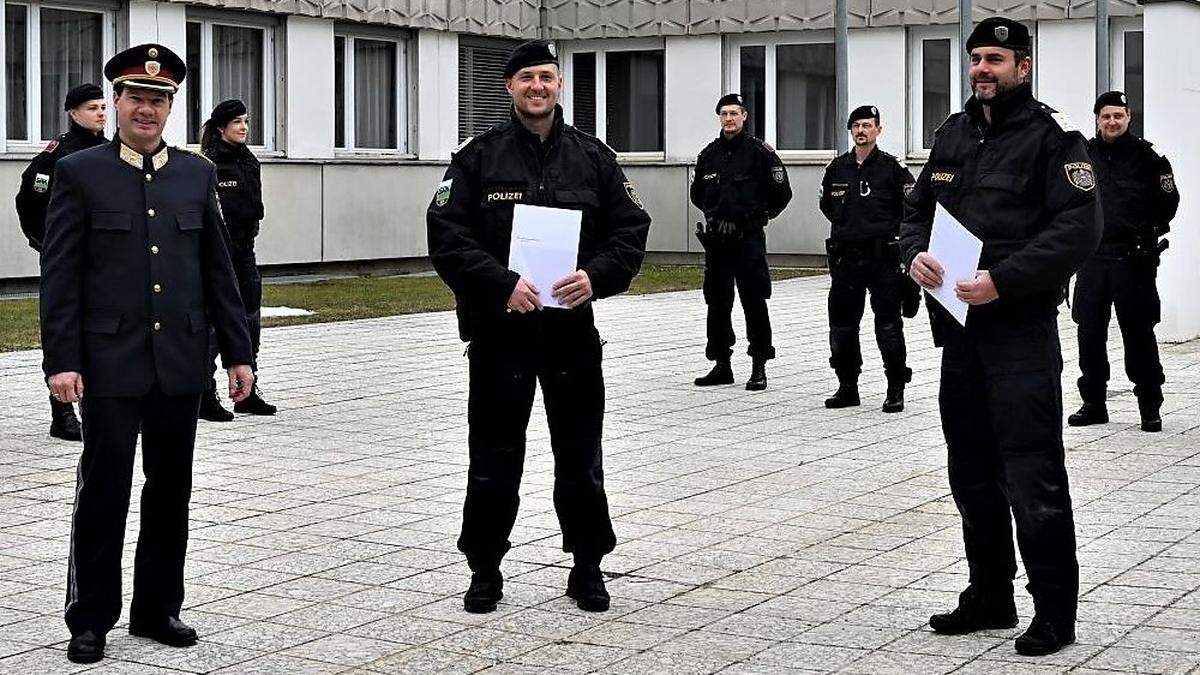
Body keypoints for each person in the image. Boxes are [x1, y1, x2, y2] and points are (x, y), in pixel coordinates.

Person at [39, 44, 254, 664]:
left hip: (180, 359)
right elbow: (60, 274)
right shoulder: (82, 172)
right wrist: (62, 360)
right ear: (118, 103)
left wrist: (237, 353)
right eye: (134, 97)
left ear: (170, 108)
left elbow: (218, 269)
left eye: (158, 100)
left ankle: (158, 607)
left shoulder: (197, 173)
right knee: (104, 488)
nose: (146, 109)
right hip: (109, 361)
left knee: (171, 489)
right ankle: (90, 616)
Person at [427, 40, 650, 615]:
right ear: (509, 86)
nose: (537, 87)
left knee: (580, 456)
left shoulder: (594, 158)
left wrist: (595, 278)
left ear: (558, 85)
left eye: (546, 77)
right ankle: (485, 567)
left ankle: (587, 565)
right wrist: (501, 284)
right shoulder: (477, 157)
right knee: (494, 456)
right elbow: (448, 238)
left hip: (571, 334)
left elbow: (630, 230)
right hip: (502, 332)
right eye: (526, 77)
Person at [900, 17, 1101, 657]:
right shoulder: (953, 135)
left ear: (1023, 66)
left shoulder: (1053, 141)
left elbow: (1078, 230)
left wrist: (1004, 280)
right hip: (959, 332)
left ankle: (1054, 611)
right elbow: (917, 212)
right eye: (976, 58)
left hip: (1018, 332)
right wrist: (913, 256)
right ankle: (989, 594)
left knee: (1032, 473)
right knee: (972, 472)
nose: (982, 69)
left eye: (996, 58)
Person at [1068, 91, 1178, 432]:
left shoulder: (1148, 158)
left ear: (1129, 117)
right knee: (1089, 333)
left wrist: (1147, 232)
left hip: (1133, 261)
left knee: (1138, 333)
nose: (1112, 122)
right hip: (1093, 258)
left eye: (1118, 115)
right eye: (1106, 116)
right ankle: (1094, 403)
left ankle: (1149, 405)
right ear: (1097, 119)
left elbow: (1169, 202)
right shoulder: (1082, 155)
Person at [15, 83, 108, 441]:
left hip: (103, 260)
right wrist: (45, 243)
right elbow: (30, 198)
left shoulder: (112, 150)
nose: (100, 113)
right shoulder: (58, 155)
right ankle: (63, 413)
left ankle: (99, 405)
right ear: (72, 113)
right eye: (91, 108)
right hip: (68, 259)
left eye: (103, 107)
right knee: (64, 329)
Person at [819, 105, 917, 411]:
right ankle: (847, 386)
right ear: (851, 131)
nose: (862, 131)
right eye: (857, 126)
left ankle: (895, 387)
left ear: (878, 130)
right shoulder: (837, 168)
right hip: (846, 260)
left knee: (887, 326)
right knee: (842, 326)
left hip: (882, 260)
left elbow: (912, 208)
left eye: (867, 125)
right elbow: (827, 207)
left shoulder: (892, 169)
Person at [690, 93, 792, 390]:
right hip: (718, 242)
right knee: (717, 303)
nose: (729, 119)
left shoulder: (760, 153)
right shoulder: (709, 154)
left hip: (748, 240)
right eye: (724, 114)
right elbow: (698, 194)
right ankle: (722, 364)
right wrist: (715, 216)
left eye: (734, 113)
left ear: (745, 116)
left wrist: (757, 218)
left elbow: (782, 194)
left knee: (754, 301)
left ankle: (758, 365)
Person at [198, 99, 276, 419]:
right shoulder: (209, 163)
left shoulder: (248, 160)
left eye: (246, 121)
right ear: (220, 128)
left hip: (245, 252)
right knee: (215, 325)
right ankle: (205, 392)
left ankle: (246, 390)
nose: (244, 127)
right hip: (219, 254)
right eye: (236, 123)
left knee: (249, 320)